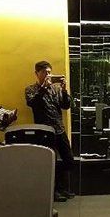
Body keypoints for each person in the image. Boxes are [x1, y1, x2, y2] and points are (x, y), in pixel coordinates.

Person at [25, 61, 74, 201]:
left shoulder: (56, 89)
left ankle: (62, 188)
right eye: (45, 72)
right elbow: (33, 104)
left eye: (49, 72)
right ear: (37, 73)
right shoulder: (30, 89)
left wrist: (64, 90)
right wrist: (43, 88)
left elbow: (66, 106)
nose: (48, 75)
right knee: (49, 161)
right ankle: (53, 191)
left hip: (59, 129)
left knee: (69, 160)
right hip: (43, 131)